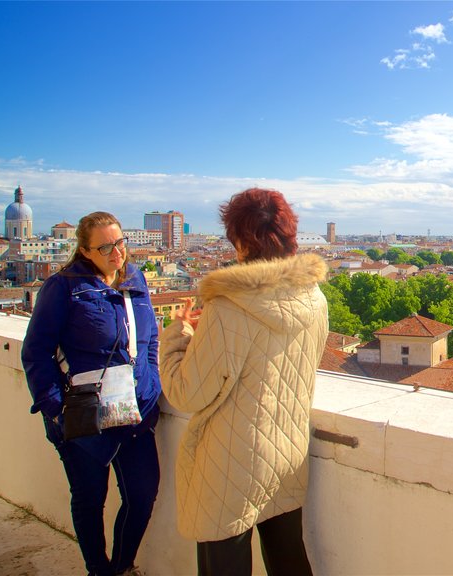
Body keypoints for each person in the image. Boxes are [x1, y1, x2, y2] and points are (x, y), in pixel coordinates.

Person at [159, 188, 329, 576]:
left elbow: (187, 392)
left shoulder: (228, 306)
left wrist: (180, 336)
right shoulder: (315, 297)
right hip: (287, 448)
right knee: (288, 559)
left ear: (240, 240)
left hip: (229, 458)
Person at [22, 212, 161, 576]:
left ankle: (119, 566)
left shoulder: (135, 278)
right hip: (83, 416)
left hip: (135, 413)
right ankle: (98, 569)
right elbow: (35, 352)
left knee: (142, 496)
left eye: (120, 243)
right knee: (89, 499)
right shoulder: (64, 287)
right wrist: (57, 410)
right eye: (105, 247)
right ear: (85, 250)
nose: (117, 252)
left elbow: (149, 341)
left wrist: (152, 383)